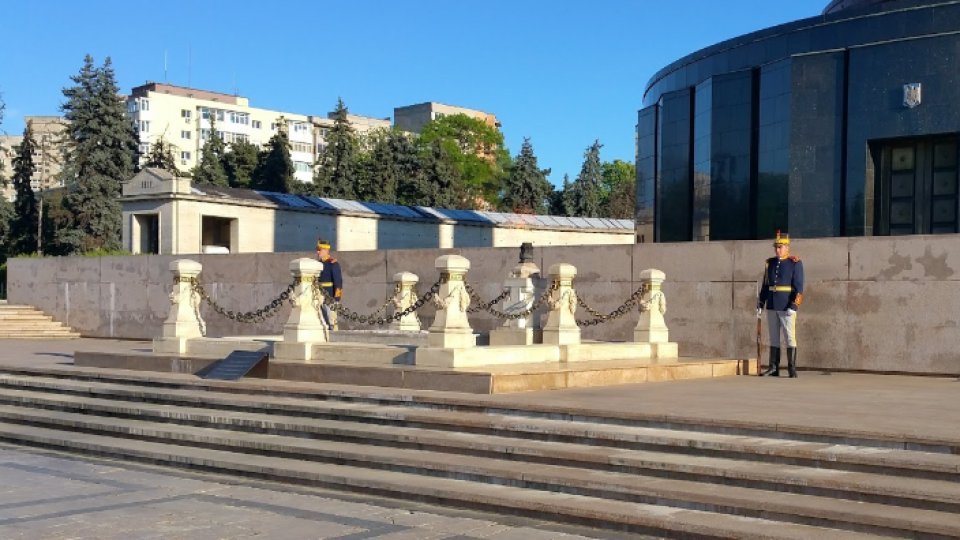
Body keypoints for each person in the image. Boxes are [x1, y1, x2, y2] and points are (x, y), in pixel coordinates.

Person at [756, 230, 804, 378]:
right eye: (776, 247)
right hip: (772, 304)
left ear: (787, 248)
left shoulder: (794, 263)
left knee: (790, 337)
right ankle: (774, 367)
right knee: (774, 337)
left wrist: (794, 306)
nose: (777, 250)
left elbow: (799, 288)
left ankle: (791, 368)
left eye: (780, 247)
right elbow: (766, 285)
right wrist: (760, 303)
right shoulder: (769, 263)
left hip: (786, 305)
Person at [315, 239, 343, 331]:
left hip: (330, 296)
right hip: (319, 296)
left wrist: (337, 298)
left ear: (326, 250)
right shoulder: (318, 264)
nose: (317, 251)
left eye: (320, 249)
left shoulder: (333, 264)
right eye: (317, 249)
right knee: (322, 321)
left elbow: (338, 282)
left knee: (332, 321)